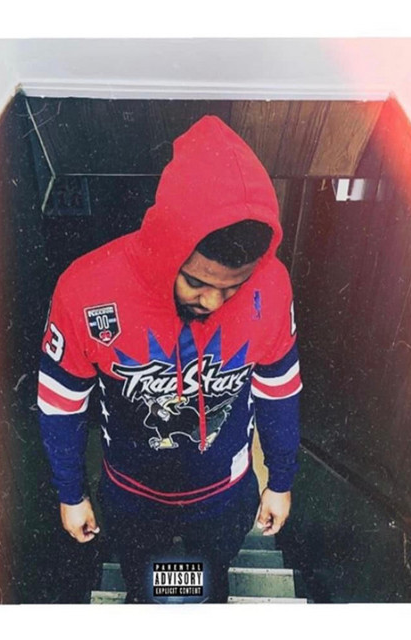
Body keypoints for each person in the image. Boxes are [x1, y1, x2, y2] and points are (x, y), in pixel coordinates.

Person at [37, 115, 302, 603]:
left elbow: (279, 389)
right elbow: (61, 403)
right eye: (196, 282)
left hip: (225, 493)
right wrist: (70, 493)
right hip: (131, 495)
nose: (213, 301)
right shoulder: (87, 288)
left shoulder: (271, 285)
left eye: (232, 286)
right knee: (143, 584)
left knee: (210, 582)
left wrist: (280, 480)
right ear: (167, 250)